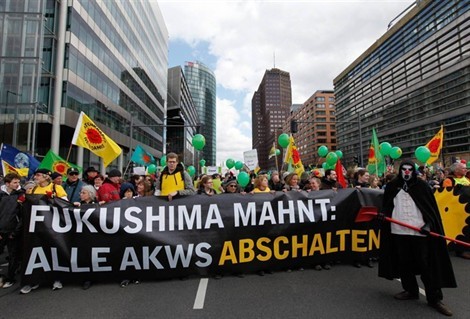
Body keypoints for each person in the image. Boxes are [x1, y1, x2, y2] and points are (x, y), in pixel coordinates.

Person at [378, 159, 456, 317]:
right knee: (404, 263)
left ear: (413, 171)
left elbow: (431, 209)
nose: (406, 172)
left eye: (409, 169)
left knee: (426, 265)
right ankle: (410, 290)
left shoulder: (422, 186)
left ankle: (434, 299)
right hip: (398, 230)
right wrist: (384, 215)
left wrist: (428, 224)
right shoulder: (393, 186)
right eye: (404, 169)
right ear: (400, 171)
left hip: (419, 232)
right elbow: (387, 206)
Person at [20, 168, 68, 294]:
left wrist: (53, 200)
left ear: (47, 177)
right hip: (35, 228)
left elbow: (65, 204)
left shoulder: (56, 188)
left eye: (39, 175)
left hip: (52, 226)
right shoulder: (32, 189)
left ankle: (57, 278)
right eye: (35, 175)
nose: (36, 177)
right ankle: (33, 279)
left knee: (54, 251)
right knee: (34, 252)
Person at [0, 173, 25, 289]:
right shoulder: (1, 194)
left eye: (18, 182)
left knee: (13, 256)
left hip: (13, 232)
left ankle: (10, 278)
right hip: (1, 231)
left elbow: (22, 216)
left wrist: (15, 232)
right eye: (15, 182)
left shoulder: (21, 195)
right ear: (7, 183)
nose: (17, 184)